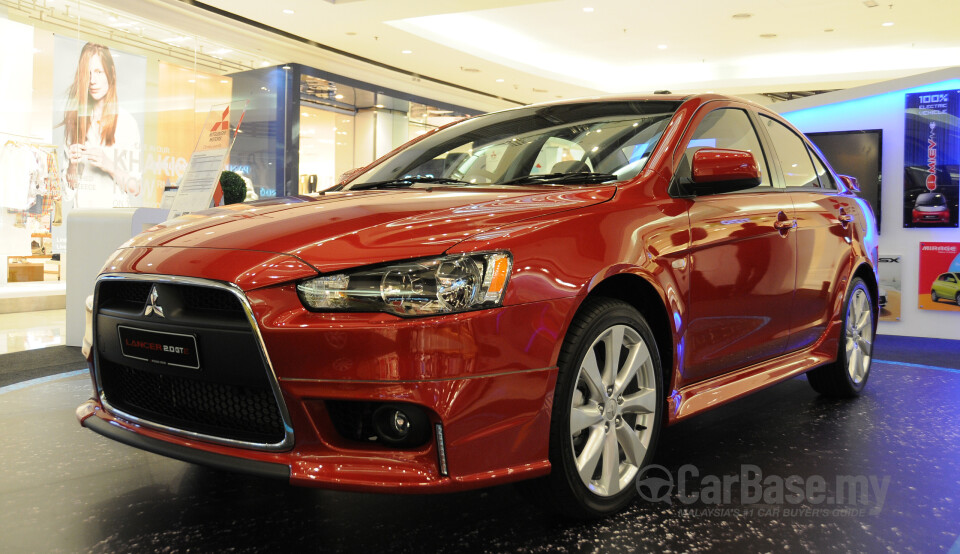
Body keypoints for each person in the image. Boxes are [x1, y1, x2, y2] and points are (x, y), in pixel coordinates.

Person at [60, 42, 141, 208]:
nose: (92, 81)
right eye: (87, 74)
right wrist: (72, 166)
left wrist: (109, 165)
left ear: (110, 74)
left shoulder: (126, 122)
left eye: (98, 72)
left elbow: (135, 187)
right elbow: (68, 193)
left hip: (113, 222)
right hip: (82, 221)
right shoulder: (76, 121)